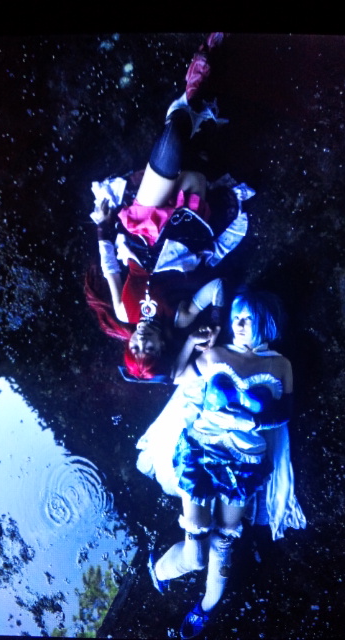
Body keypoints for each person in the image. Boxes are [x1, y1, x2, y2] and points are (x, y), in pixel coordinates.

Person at [136, 285, 306, 638]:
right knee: (196, 554)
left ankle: (206, 607)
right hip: (201, 452)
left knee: (224, 542)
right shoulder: (216, 355)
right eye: (236, 317)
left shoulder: (281, 365)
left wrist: (252, 422)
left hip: (245, 462)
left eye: (248, 318)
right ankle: (159, 569)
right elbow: (177, 377)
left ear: (266, 322)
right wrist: (191, 342)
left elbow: (284, 413)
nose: (238, 324)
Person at [85, 33, 255, 381]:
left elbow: (110, 268)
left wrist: (102, 226)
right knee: (193, 170)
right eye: (148, 350)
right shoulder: (180, 318)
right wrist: (213, 324)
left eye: (134, 348)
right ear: (163, 347)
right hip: (185, 229)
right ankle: (201, 117)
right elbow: (217, 287)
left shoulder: (124, 313)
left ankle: (195, 86)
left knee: (172, 138)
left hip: (142, 226)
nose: (141, 343)